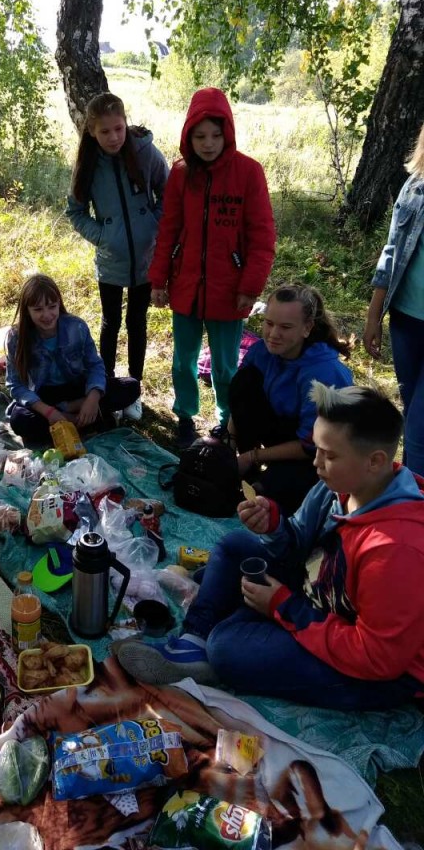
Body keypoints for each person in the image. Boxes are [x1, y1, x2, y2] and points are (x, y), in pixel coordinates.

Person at [117, 382, 424, 711]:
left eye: (330, 455)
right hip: (319, 600)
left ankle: (220, 641)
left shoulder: (395, 549)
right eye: (317, 449)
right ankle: (193, 641)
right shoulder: (340, 484)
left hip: (373, 671)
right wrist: (274, 525)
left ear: (375, 461)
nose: (316, 463)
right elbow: (296, 546)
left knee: (226, 647)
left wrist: (284, 607)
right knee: (235, 545)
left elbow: (377, 658)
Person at [148, 88, 276, 448]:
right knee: (183, 360)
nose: (208, 144)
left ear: (227, 133)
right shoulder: (181, 173)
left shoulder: (248, 172)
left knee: (224, 366)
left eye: (216, 135)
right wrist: (158, 279)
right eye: (200, 136)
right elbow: (169, 228)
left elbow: (262, 236)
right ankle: (185, 416)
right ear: (188, 137)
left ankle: (226, 422)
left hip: (229, 291)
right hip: (186, 287)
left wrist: (249, 287)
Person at [65, 92, 168, 422]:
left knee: (137, 322)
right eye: (105, 131)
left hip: (145, 259)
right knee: (110, 323)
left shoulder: (145, 152)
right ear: (92, 131)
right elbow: (75, 211)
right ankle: (106, 386)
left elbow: (168, 192)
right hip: (110, 260)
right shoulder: (88, 165)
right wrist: (103, 236)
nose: (113, 137)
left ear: (126, 124)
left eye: (119, 129)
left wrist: (153, 225)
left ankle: (133, 389)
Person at [229, 283, 353, 514]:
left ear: (307, 328)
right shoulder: (263, 351)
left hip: (319, 454)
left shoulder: (324, 375)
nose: (273, 334)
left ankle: (268, 480)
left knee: (264, 501)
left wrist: (252, 457)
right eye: (269, 323)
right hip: (285, 431)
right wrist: (229, 445)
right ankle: (252, 472)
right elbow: (240, 398)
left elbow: (313, 445)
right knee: (243, 381)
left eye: (285, 327)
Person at [5, 274, 140, 444]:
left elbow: (95, 365)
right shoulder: (16, 337)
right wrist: (49, 412)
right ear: (27, 311)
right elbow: (15, 384)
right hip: (45, 395)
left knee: (131, 386)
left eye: (52, 306)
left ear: (59, 304)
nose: (47, 315)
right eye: (38, 309)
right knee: (20, 420)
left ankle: (74, 417)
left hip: (78, 388)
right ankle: (86, 420)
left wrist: (92, 398)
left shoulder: (77, 326)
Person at [364, 122, 424, 477]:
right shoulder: (415, 186)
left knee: (418, 428)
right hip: (406, 320)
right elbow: (391, 254)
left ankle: (412, 500)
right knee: (411, 408)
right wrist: (374, 315)